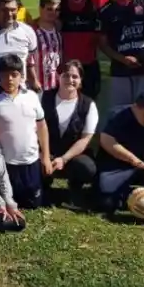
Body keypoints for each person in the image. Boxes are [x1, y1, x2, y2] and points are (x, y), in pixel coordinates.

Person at [0, 55, 51, 209]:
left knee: (33, 204)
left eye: (14, 75)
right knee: (5, 201)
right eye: (4, 75)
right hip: (4, 163)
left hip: (30, 160)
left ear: (22, 76)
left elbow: (42, 126)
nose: (9, 79)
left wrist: (45, 156)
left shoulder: (31, 97)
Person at [40, 61, 98, 208]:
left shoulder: (89, 105)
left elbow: (85, 139)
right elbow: (34, 130)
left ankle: (75, 188)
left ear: (80, 80)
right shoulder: (43, 98)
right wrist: (45, 156)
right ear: (58, 76)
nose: (70, 80)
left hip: (73, 156)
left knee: (87, 167)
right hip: (47, 152)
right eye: (66, 75)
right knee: (31, 162)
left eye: (75, 76)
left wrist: (64, 159)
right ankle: (43, 186)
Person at [56, 0, 108, 100]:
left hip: (89, 64)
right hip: (65, 65)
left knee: (89, 105)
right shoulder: (59, 3)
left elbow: (119, 4)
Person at [32, 0, 63, 93]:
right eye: (49, 9)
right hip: (37, 85)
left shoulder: (58, 31)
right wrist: (33, 80)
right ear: (41, 9)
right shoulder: (32, 31)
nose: (53, 13)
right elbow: (28, 59)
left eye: (57, 10)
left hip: (55, 84)